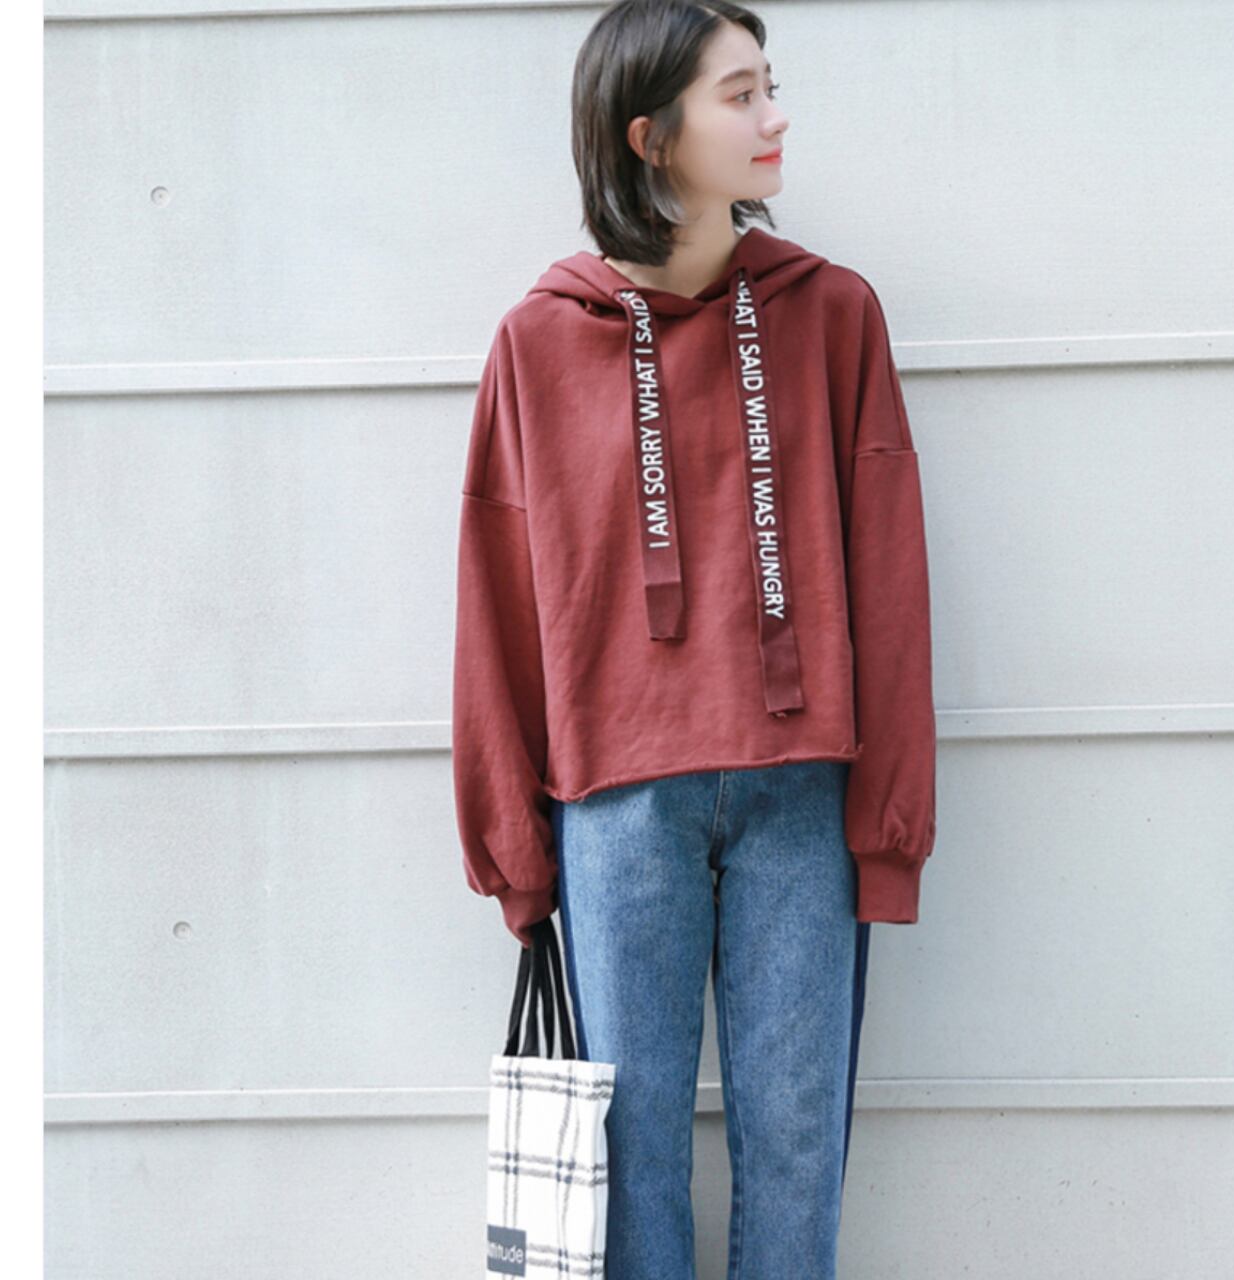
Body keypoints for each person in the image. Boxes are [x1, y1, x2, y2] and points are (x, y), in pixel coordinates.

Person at [451, 2, 937, 1275]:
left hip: (801, 793)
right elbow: (497, 600)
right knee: (630, 1164)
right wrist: (516, 853)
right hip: (614, 800)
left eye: (768, 85)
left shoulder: (832, 316)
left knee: (796, 1152)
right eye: (740, 93)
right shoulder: (537, 341)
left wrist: (888, 826)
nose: (774, 117)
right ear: (649, 134)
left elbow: (888, 583)